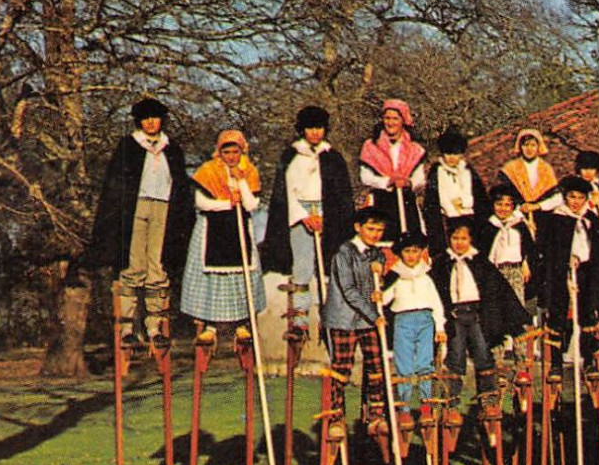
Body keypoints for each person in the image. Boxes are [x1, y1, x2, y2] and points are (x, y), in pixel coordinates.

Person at [86, 97, 193, 344]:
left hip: (163, 207)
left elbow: (180, 186)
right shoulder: (129, 146)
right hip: (135, 208)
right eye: (145, 118)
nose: (150, 123)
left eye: (154, 118)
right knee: (134, 266)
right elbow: (115, 186)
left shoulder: (172, 149)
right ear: (139, 121)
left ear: (161, 120)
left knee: (157, 266)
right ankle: (127, 327)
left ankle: (154, 325)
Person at [262, 105, 355, 342]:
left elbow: (341, 193)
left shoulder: (332, 156)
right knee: (302, 267)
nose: (315, 133)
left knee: (328, 266)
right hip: (301, 217)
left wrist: (328, 218)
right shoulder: (292, 155)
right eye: (310, 128)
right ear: (302, 130)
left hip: (328, 218)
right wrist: (303, 217)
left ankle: (330, 318)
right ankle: (300, 319)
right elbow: (287, 193)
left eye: (319, 128)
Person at [178, 130, 266, 346]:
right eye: (226, 152)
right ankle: (210, 326)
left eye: (235, 151)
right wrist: (228, 204)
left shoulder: (249, 171)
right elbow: (202, 202)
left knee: (240, 276)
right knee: (213, 279)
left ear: (241, 151)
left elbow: (252, 205)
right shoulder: (208, 170)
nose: (231, 156)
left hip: (239, 232)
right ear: (220, 152)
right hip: (212, 229)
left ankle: (241, 325)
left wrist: (241, 183)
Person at [433, 216, 529, 400]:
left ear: (470, 240)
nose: (459, 243)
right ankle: (452, 394)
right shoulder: (442, 263)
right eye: (455, 239)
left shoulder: (480, 262)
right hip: (455, 317)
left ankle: (488, 394)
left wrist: (516, 321)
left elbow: (499, 292)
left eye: (463, 239)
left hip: (476, 314)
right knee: (456, 352)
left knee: (483, 351)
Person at [533, 176, 599, 371]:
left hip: (587, 271)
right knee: (558, 314)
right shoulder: (557, 218)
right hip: (562, 271)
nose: (576, 202)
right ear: (565, 198)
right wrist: (566, 260)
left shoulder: (590, 218)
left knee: (587, 313)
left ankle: (588, 361)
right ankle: (556, 363)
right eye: (572, 197)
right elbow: (549, 248)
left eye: (580, 197)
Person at [323, 210, 391, 426]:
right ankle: (336, 414)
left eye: (380, 230)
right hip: (344, 319)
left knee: (376, 363)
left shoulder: (375, 253)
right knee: (342, 366)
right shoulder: (344, 254)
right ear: (357, 227)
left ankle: (376, 411)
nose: (375, 234)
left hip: (366, 320)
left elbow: (378, 265)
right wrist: (375, 316)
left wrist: (380, 266)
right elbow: (350, 291)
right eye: (371, 229)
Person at [381, 231, 446, 412]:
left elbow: (436, 303)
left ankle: (427, 405)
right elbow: (384, 299)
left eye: (415, 251)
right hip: (403, 321)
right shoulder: (395, 276)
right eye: (407, 251)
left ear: (421, 252)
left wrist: (440, 327)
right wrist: (378, 294)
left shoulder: (426, 276)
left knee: (425, 362)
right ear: (401, 253)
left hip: (425, 321)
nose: (411, 255)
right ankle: (404, 407)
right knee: (404, 364)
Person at [357, 99, 427, 245]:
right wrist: (387, 181)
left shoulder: (414, 148)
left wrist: (409, 182)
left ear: (403, 120)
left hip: (406, 201)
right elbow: (365, 176)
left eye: (395, 118)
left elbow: (420, 177)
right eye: (387, 118)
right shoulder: (371, 146)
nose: (391, 122)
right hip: (382, 201)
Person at [422, 126, 488, 258]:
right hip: (446, 221)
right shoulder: (437, 171)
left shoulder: (467, 170)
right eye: (448, 153)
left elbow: (480, 197)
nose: (452, 157)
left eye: (456, 153)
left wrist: (465, 202)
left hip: (469, 220)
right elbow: (432, 200)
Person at [499, 128, 562, 216]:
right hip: (518, 215)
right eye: (525, 145)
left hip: (543, 214)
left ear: (538, 146)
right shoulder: (510, 169)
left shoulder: (546, 168)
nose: (529, 149)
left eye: (533, 145)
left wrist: (537, 206)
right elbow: (504, 197)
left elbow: (557, 197)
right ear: (520, 147)